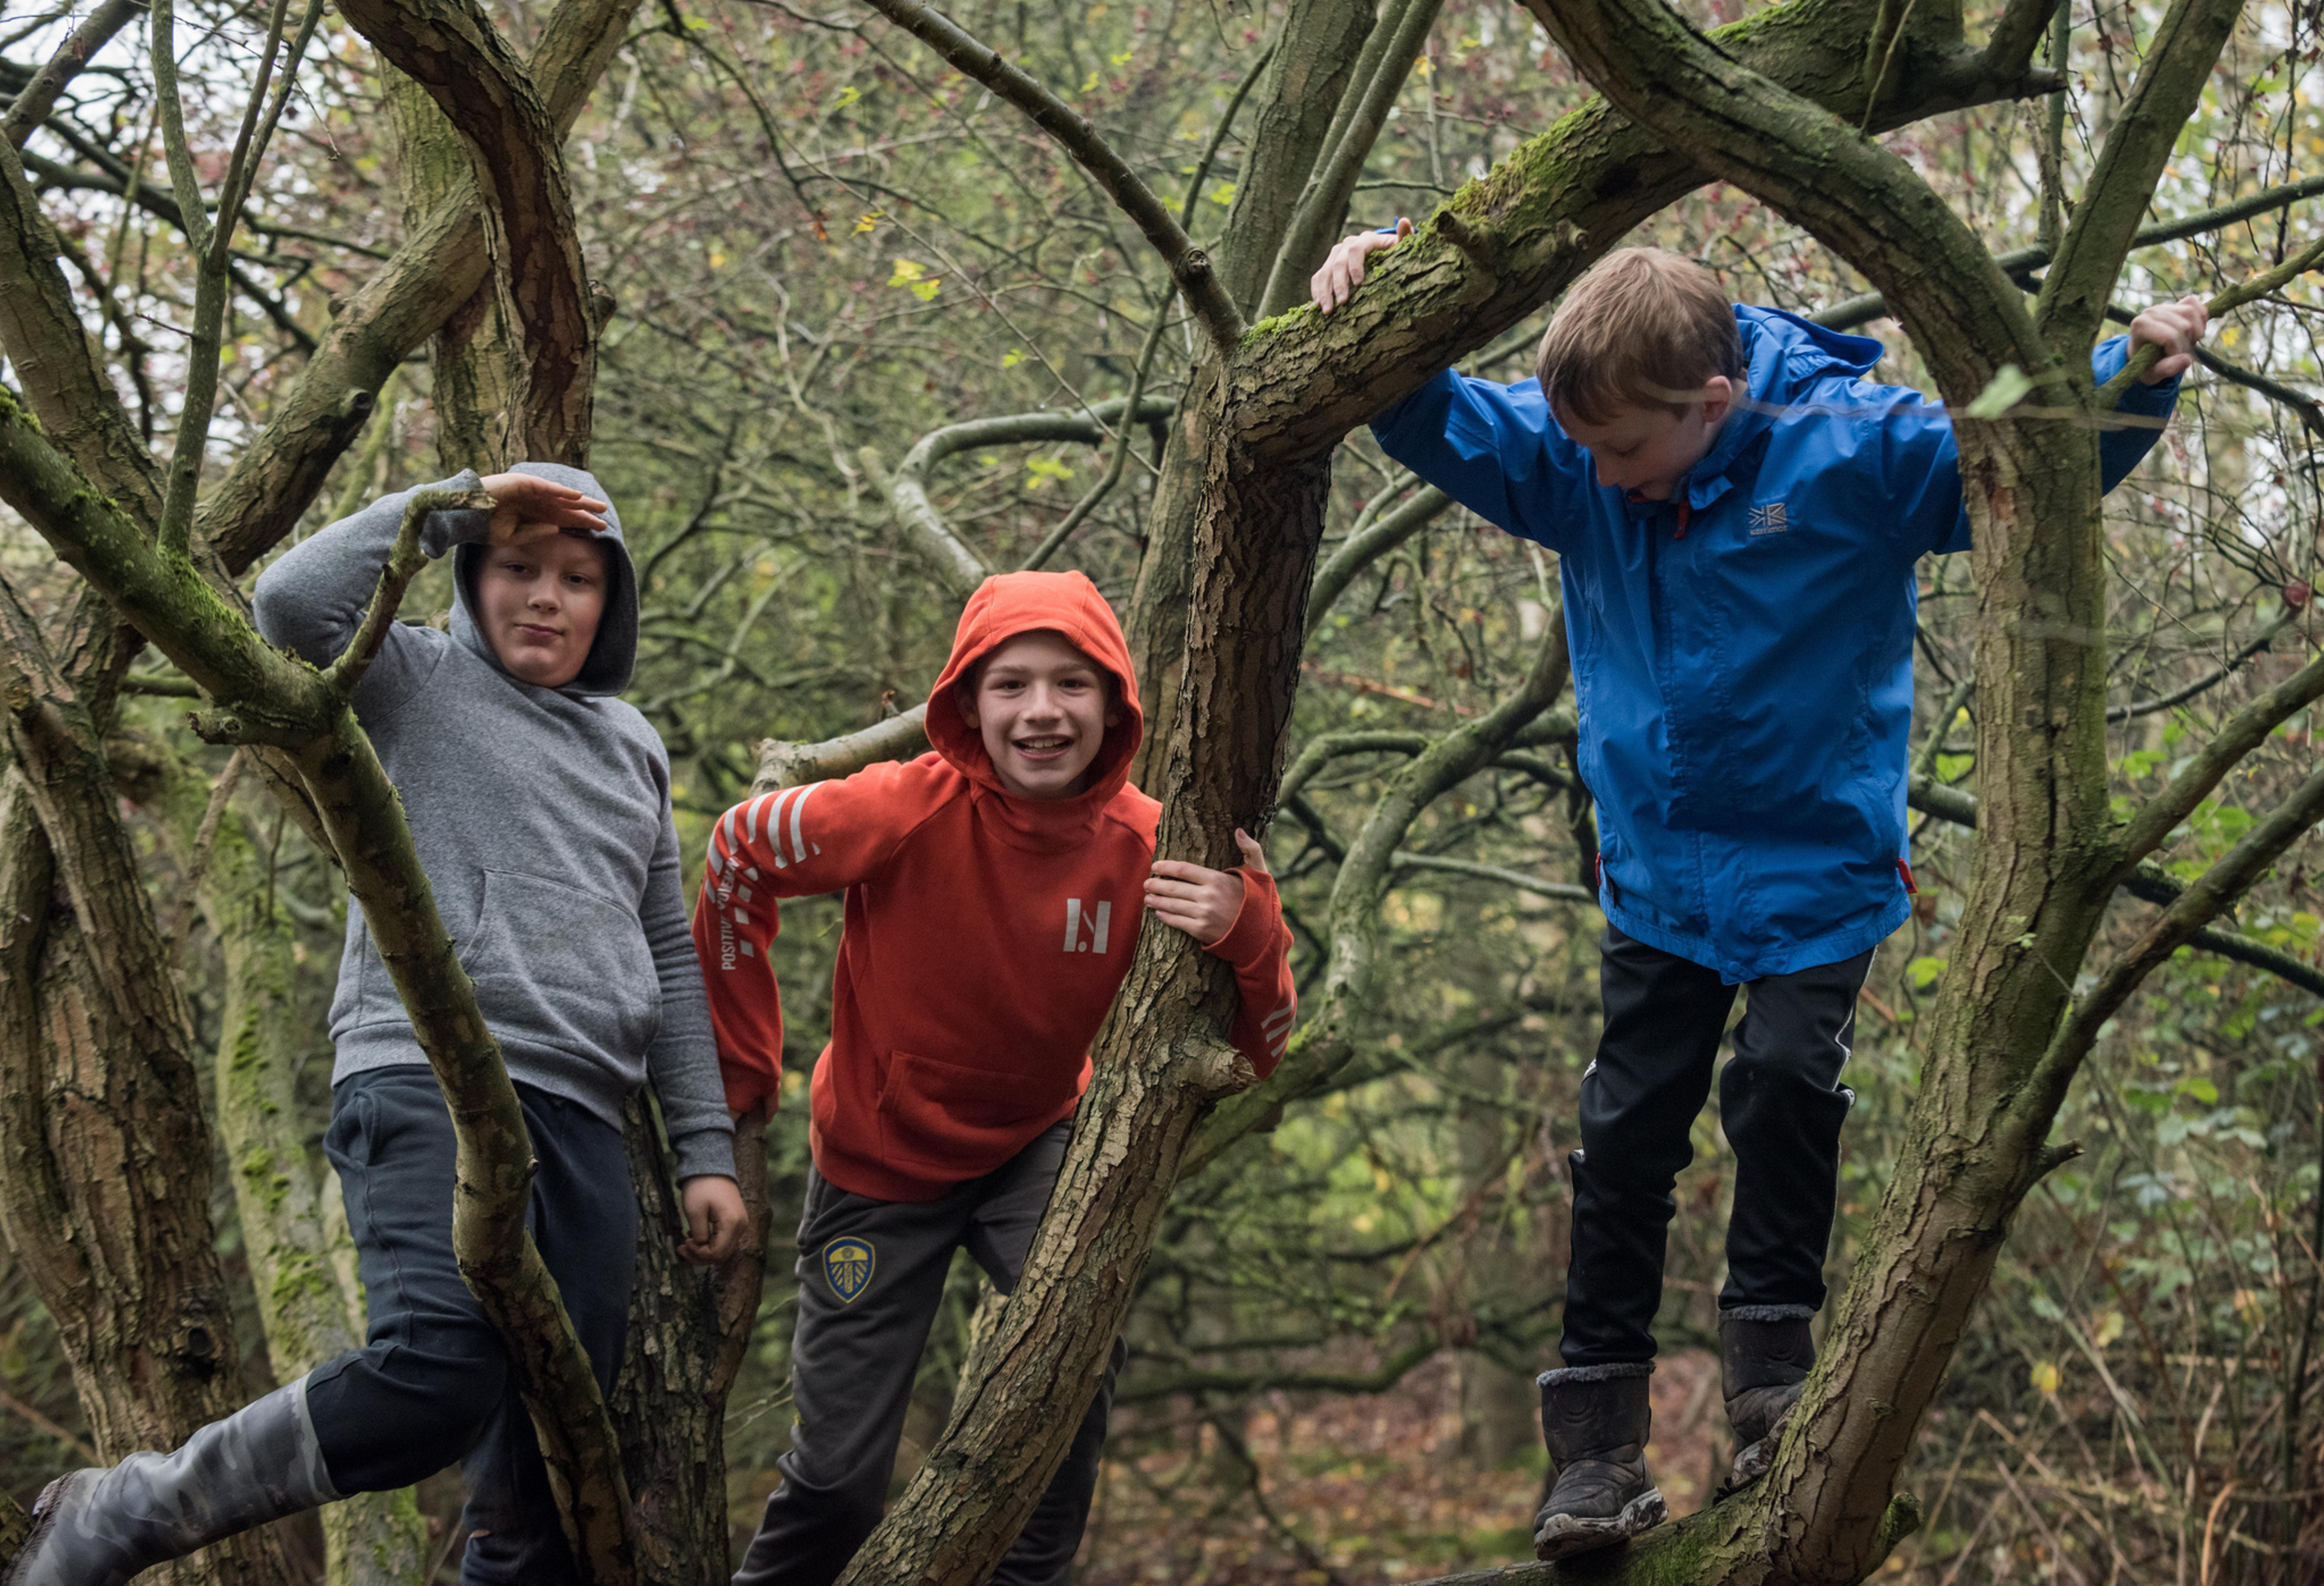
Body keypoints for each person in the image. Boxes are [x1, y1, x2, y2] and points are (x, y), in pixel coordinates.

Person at [1313, 232, 2206, 1558]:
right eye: (1582, 449)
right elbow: (1445, 416)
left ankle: (1770, 1386)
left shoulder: (1846, 445)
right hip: (1658, 870)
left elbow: (2012, 432)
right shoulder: (1582, 452)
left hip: (1814, 863)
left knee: (1783, 1086)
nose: (1596, 477)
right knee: (1623, 1134)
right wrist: (1375, 295)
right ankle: (1595, 1451)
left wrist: (2126, 371)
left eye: (1619, 452)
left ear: (1710, 405)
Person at [5, 465, 747, 1586]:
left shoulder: (631, 744)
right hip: (429, 1077)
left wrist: (704, 1149)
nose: (546, 596)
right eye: (517, 565)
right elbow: (289, 604)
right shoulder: (421, 676)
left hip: (591, 1121)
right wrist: (459, 499)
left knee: (556, 1468)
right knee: (434, 1379)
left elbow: (668, 954)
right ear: (470, 573)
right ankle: (125, 1510)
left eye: (577, 579)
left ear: (613, 603)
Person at [699, 570, 1296, 1586]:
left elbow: (1255, 1047)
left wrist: (1250, 924)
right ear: (966, 703)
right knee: (841, 1476)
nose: (1042, 712)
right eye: (1010, 684)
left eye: (1072, 683)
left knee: (1066, 1383)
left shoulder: (1150, 841)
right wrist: (741, 1071)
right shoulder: (900, 807)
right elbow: (737, 850)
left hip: (1034, 1148)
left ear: (1114, 704)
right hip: (876, 1167)